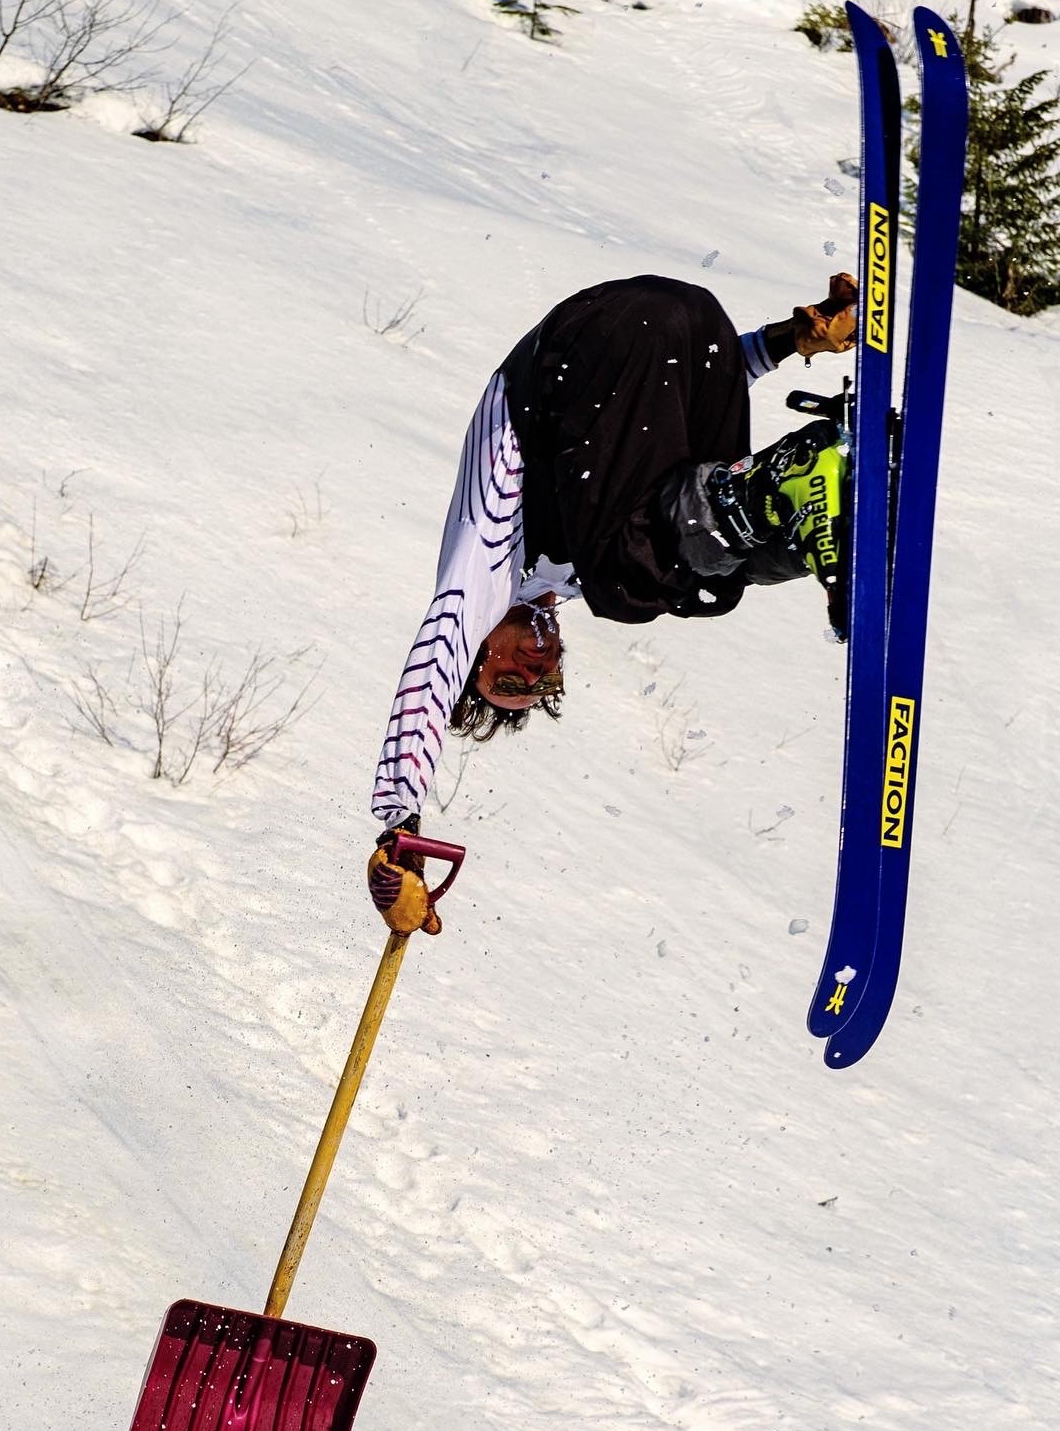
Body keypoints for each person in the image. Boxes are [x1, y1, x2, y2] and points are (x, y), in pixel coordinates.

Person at [366, 271, 858, 936]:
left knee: (629, 586)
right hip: (690, 334)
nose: (536, 667)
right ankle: (836, 493)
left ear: (478, 651)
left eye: (510, 676)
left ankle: (795, 485)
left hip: (583, 347)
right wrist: (787, 342)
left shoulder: (485, 565)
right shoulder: (568, 569)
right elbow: (664, 405)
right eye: (543, 682)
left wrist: (400, 835)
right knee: (704, 586)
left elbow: (430, 672)